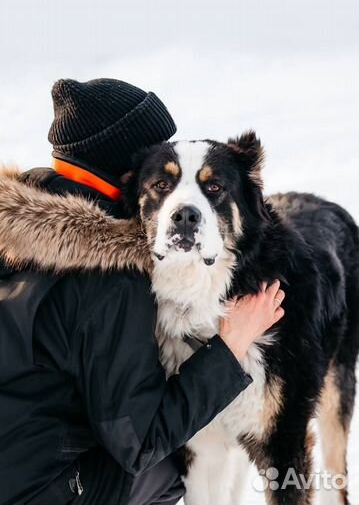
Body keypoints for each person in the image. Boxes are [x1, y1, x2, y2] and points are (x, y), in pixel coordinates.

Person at [0, 78, 285, 505]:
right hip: (39, 491)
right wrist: (230, 345)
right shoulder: (110, 276)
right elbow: (142, 440)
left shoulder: (16, 224)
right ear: (125, 169)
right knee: (173, 467)